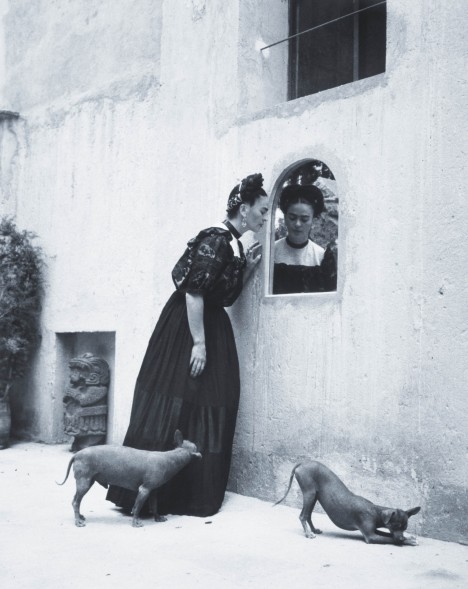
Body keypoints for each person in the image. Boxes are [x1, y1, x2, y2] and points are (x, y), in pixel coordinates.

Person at [106, 173, 269, 517]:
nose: (265, 217)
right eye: (262, 210)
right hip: (188, 327)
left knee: (207, 400)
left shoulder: (233, 243)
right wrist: (198, 343)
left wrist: (249, 270)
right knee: (176, 398)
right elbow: (194, 291)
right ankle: (148, 491)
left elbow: (221, 294)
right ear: (244, 208)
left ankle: (184, 491)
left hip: (209, 323)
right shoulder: (217, 238)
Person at [273, 184, 337, 294]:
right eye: (292, 218)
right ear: (285, 217)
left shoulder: (320, 256)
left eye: (304, 219)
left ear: (313, 219)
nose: (297, 224)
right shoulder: (272, 251)